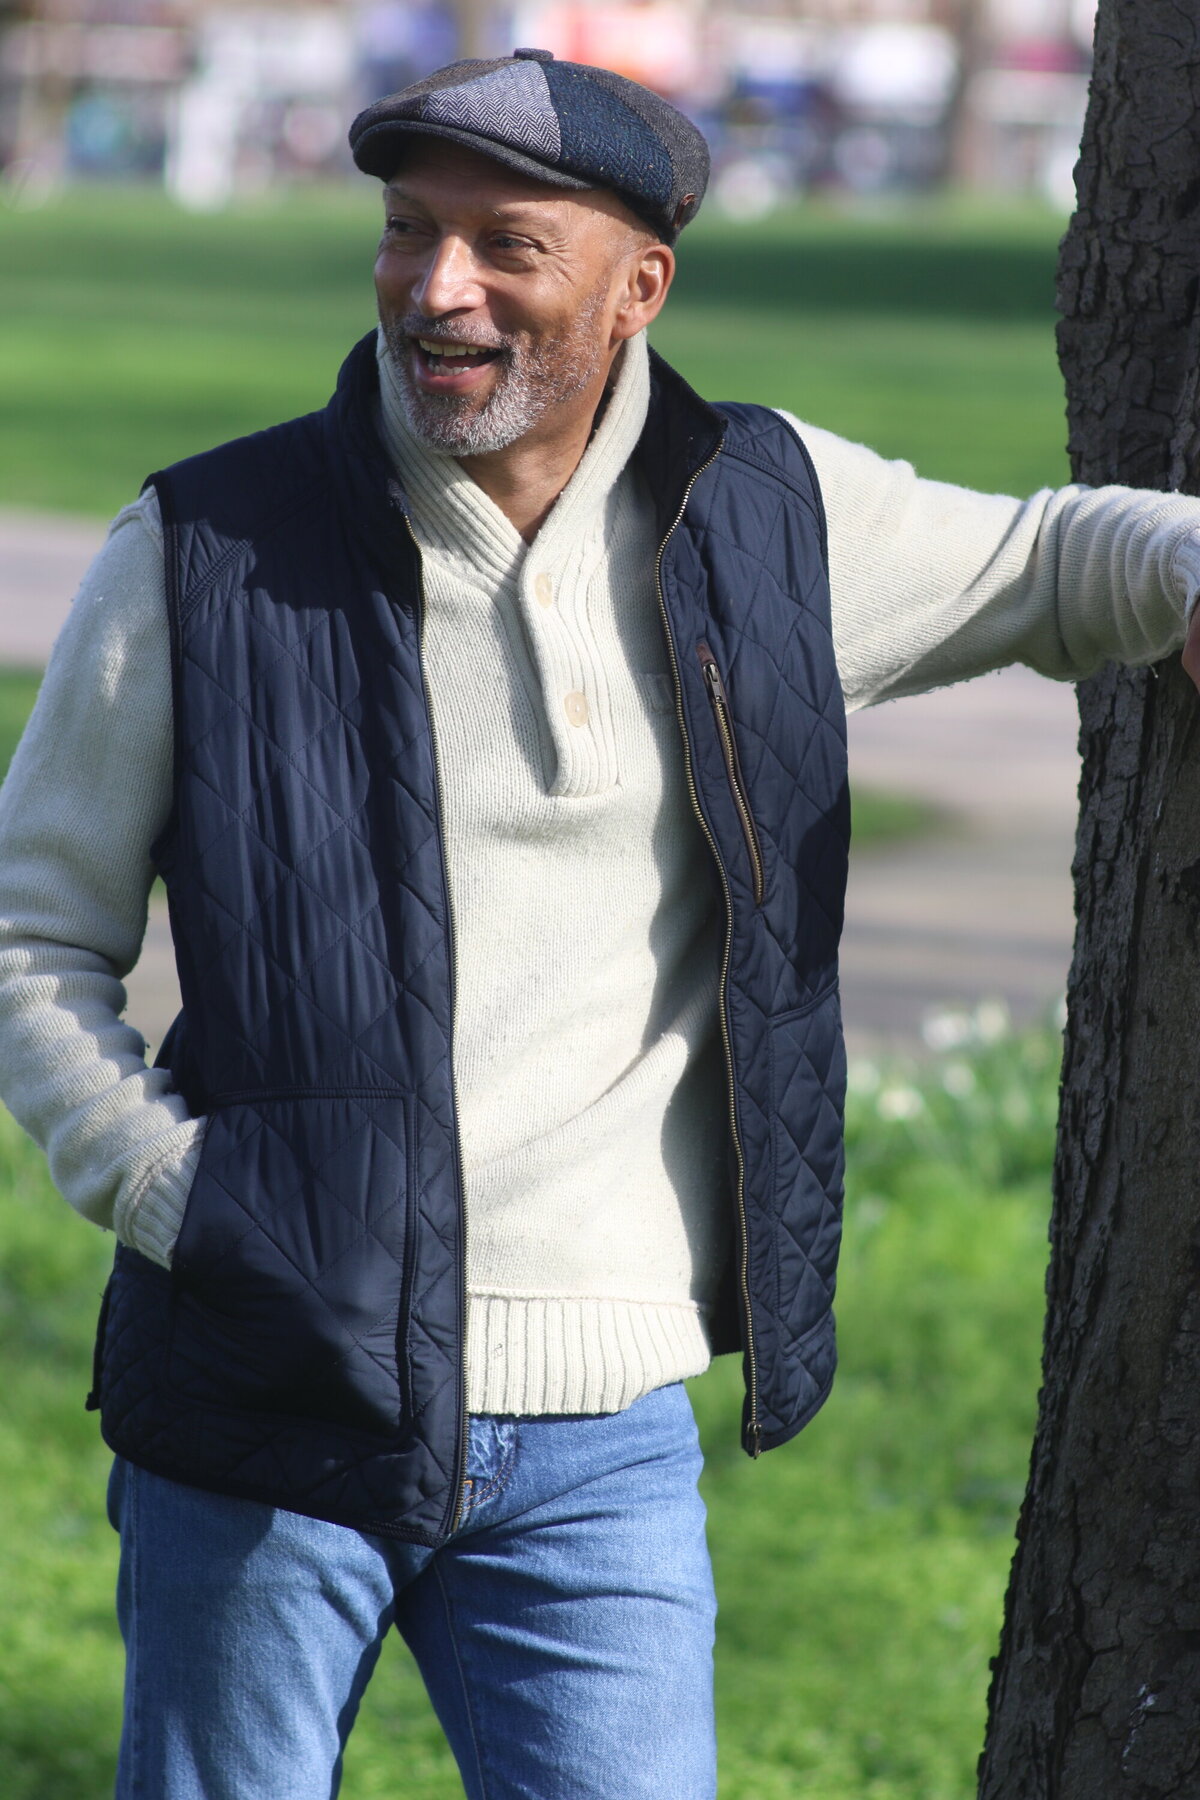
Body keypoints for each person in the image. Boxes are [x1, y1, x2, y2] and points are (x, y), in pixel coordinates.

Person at [2, 47, 1200, 1800]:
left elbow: (1047, 561)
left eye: (508, 246)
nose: (438, 286)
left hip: (604, 1443)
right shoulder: (204, 546)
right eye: (409, 231)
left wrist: (1186, 566)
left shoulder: (768, 516)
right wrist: (175, 1193)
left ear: (640, 288)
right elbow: (31, 931)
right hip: (266, 1388)